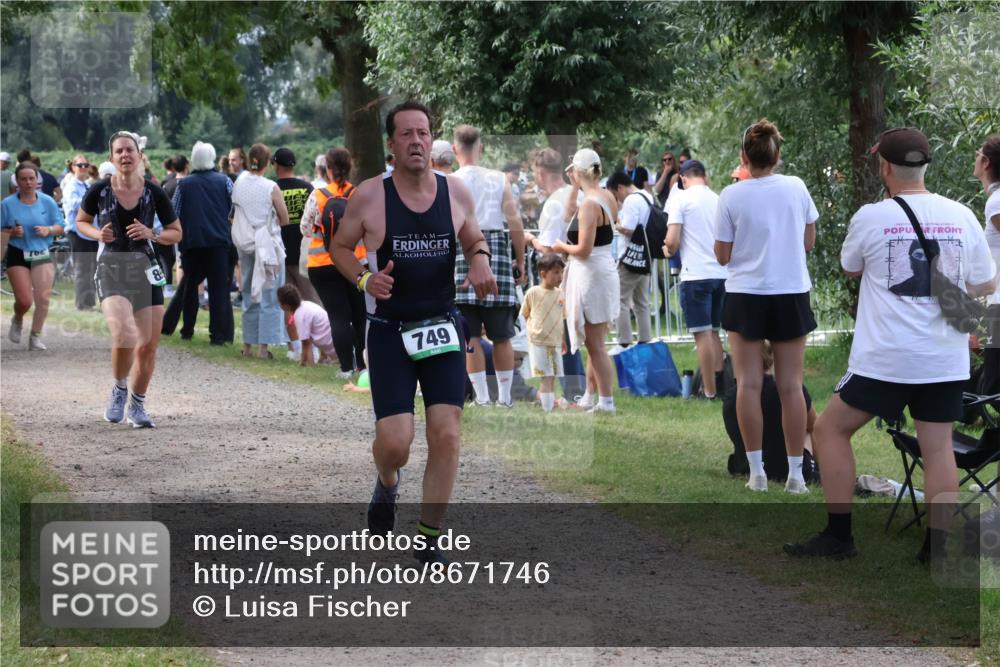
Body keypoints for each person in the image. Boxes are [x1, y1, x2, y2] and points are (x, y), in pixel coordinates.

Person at [785, 127, 997, 561]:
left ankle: (839, 536)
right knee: (938, 448)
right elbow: (985, 282)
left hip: (884, 358)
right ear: (926, 166)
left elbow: (850, 266)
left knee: (829, 429)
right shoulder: (961, 214)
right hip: (943, 355)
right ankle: (936, 548)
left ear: (884, 167)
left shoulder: (872, 216)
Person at [329, 100, 497, 565]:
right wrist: (364, 278)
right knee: (397, 444)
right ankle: (387, 483)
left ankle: (429, 537)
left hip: (442, 328)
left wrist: (480, 258)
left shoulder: (455, 192)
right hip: (389, 331)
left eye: (423, 133)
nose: (417, 141)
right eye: (406, 134)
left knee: (447, 434)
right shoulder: (369, 195)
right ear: (391, 144)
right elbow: (340, 247)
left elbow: (474, 238)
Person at [714, 119, 818, 494]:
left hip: (745, 294)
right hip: (790, 291)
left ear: (744, 157)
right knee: (791, 386)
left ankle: (757, 472)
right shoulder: (796, 187)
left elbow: (722, 255)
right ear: (777, 155)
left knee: (748, 384)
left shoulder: (730, 195)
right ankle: (795, 475)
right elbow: (808, 242)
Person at [76, 130, 183, 428]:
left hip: (146, 268)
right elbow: (81, 221)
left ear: (139, 156)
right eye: (119, 151)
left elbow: (177, 231)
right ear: (111, 157)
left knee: (148, 344)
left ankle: (138, 404)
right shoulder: (99, 190)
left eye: (130, 151)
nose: (125, 155)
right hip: (110, 267)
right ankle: (119, 389)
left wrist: (153, 234)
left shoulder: (154, 191)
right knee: (125, 335)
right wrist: (99, 234)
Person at [451, 124, 526, 408]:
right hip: (496, 253)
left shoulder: (449, 180)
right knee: (502, 335)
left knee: (469, 335)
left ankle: (482, 397)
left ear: (456, 149)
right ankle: (505, 399)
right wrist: (519, 260)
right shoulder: (498, 179)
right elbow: (515, 222)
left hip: (462, 251)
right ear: (480, 147)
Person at [553, 148, 619, 413]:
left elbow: (583, 249)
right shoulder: (606, 196)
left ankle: (606, 400)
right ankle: (592, 396)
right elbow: (569, 214)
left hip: (592, 272)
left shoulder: (591, 204)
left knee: (595, 344)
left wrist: (560, 246)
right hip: (599, 270)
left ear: (578, 172)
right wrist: (574, 186)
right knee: (595, 342)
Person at [523, 148, 586, 402]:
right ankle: (581, 389)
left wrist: (530, 240)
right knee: (576, 334)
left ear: (540, 173)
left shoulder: (552, 205)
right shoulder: (578, 195)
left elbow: (549, 250)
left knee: (562, 335)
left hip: (561, 275)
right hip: (582, 268)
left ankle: (573, 391)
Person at [665, 159, 728, 399]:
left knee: (701, 335)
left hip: (696, 275)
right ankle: (722, 385)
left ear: (682, 178)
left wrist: (666, 250)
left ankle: (708, 391)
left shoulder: (681, 199)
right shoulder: (719, 199)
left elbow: (672, 241)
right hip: (721, 274)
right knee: (714, 332)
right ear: (705, 175)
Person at [300, 147, 366, 377]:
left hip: (323, 264)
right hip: (355, 262)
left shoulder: (317, 195)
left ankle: (346, 368)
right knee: (360, 317)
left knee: (338, 317)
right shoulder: (358, 195)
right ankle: (363, 365)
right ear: (350, 168)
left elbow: (305, 229)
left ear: (327, 169)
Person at [162, 141, 235, 344]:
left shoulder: (184, 184)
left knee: (191, 287)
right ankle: (217, 336)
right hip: (219, 242)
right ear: (212, 158)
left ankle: (187, 329)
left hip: (192, 242)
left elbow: (174, 212)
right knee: (219, 290)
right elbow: (233, 208)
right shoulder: (225, 181)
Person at [724, 342, 817, 482]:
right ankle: (816, 467)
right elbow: (814, 424)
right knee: (809, 430)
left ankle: (755, 466)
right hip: (784, 467)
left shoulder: (732, 397)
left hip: (744, 466)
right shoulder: (790, 393)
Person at [231, 143, 288, 359]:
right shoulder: (271, 187)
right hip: (268, 246)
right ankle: (264, 347)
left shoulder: (239, 182)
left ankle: (247, 345)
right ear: (268, 163)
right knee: (269, 294)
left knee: (248, 291)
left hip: (245, 243)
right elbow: (284, 218)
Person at [2, 162, 63, 350]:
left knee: (43, 299)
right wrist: (12, 231)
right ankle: (18, 317)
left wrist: (48, 230)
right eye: (23, 179)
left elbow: (60, 227)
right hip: (17, 254)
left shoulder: (48, 201)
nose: (28, 182)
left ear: (37, 180)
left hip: (41, 253)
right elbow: (1, 230)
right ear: (17, 182)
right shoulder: (7, 204)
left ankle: (35, 337)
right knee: (24, 300)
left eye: (31, 178)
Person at [606, 170, 653, 347]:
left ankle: (624, 341)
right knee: (642, 302)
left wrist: (618, 225)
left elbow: (630, 229)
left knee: (620, 299)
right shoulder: (647, 196)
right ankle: (645, 340)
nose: (616, 198)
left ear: (619, 187)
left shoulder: (631, 200)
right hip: (645, 257)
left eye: (614, 194)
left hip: (630, 258)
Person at [271, 147, 320, 305]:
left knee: (287, 305)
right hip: (304, 255)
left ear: (276, 166)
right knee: (312, 301)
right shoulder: (307, 188)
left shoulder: (271, 189)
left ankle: (293, 331)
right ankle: (320, 329)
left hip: (281, 254)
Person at [520, 253, 566, 412]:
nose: (560, 276)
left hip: (555, 342)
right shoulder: (533, 293)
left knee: (552, 376)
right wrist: (533, 331)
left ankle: (548, 404)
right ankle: (548, 409)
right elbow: (525, 314)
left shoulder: (561, 294)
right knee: (546, 377)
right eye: (556, 272)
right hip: (539, 342)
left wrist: (563, 339)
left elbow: (562, 317)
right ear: (543, 274)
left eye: (561, 272)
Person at [974, 134, 1000, 396]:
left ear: (987, 163)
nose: (976, 157)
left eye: (978, 153)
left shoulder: (997, 201)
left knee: (994, 386)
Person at [61, 154, 98, 310]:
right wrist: (91, 202)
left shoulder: (87, 186)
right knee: (82, 268)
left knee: (92, 268)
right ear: (73, 167)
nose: (83, 168)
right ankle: (81, 304)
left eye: (85, 165)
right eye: (80, 165)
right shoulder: (71, 185)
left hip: (90, 232)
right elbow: (74, 204)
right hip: (76, 232)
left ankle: (89, 302)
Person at [277, 284, 336, 366]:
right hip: (336, 342)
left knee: (306, 341)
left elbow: (306, 343)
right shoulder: (306, 304)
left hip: (336, 352)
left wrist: (303, 363)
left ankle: (319, 361)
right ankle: (325, 359)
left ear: (285, 305)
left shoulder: (300, 315)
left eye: (279, 302)